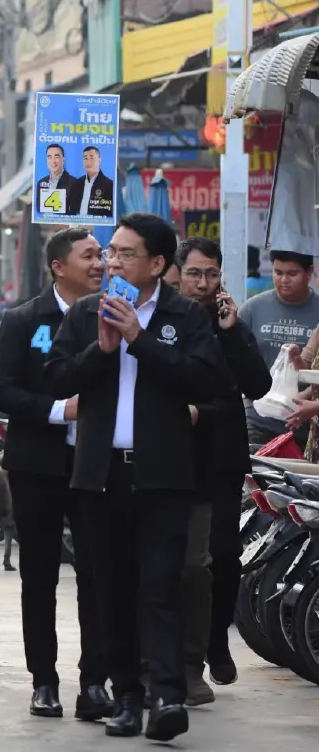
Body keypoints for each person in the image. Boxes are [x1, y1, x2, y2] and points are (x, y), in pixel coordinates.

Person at [45, 212, 226, 742]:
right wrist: (101, 350)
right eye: (108, 251)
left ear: (157, 264)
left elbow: (207, 381)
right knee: (113, 591)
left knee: (161, 587)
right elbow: (55, 377)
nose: (110, 261)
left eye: (124, 253)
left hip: (163, 476)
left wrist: (141, 340)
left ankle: (168, 696)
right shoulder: (84, 314)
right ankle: (126, 697)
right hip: (101, 477)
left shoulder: (184, 317)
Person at [0, 228, 112, 721]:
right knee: (38, 575)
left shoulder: (114, 316)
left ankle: (95, 682)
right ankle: (44, 680)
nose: (100, 263)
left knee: (97, 575)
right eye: (89, 256)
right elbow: (1, 391)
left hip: (97, 465)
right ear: (59, 267)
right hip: (37, 465)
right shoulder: (24, 320)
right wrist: (60, 409)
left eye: (103, 255)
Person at [165, 237, 271, 702]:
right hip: (170, 453)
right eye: (194, 273)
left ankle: (214, 643)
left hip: (222, 457)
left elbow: (258, 384)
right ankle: (173, 655)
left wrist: (231, 331)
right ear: (177, 272)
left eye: (211, 274)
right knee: (179, 561)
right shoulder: (163, 316)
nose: (203, 283)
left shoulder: (228, 320)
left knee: (223, 556)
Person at [237, 250, 319, 444]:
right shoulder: (252, 309)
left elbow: (307, 372)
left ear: (309, 273)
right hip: (257, 419)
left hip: (302, 423)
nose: (283, 280)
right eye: (278, 272)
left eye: (292, 274)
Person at [66, 146, 115, 218]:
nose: (88, 162)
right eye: (85, 158)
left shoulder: (110, 185)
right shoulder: (76, 184)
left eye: (92, 158)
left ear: (99, 160)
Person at [35, 143, 80, 216]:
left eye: (56, 157)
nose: (53, 161)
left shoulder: (74, 183)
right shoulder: (41, 183)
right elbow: (39, 210)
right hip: (46, 225)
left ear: (63, 160)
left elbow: (76, 212)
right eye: (49, 157)